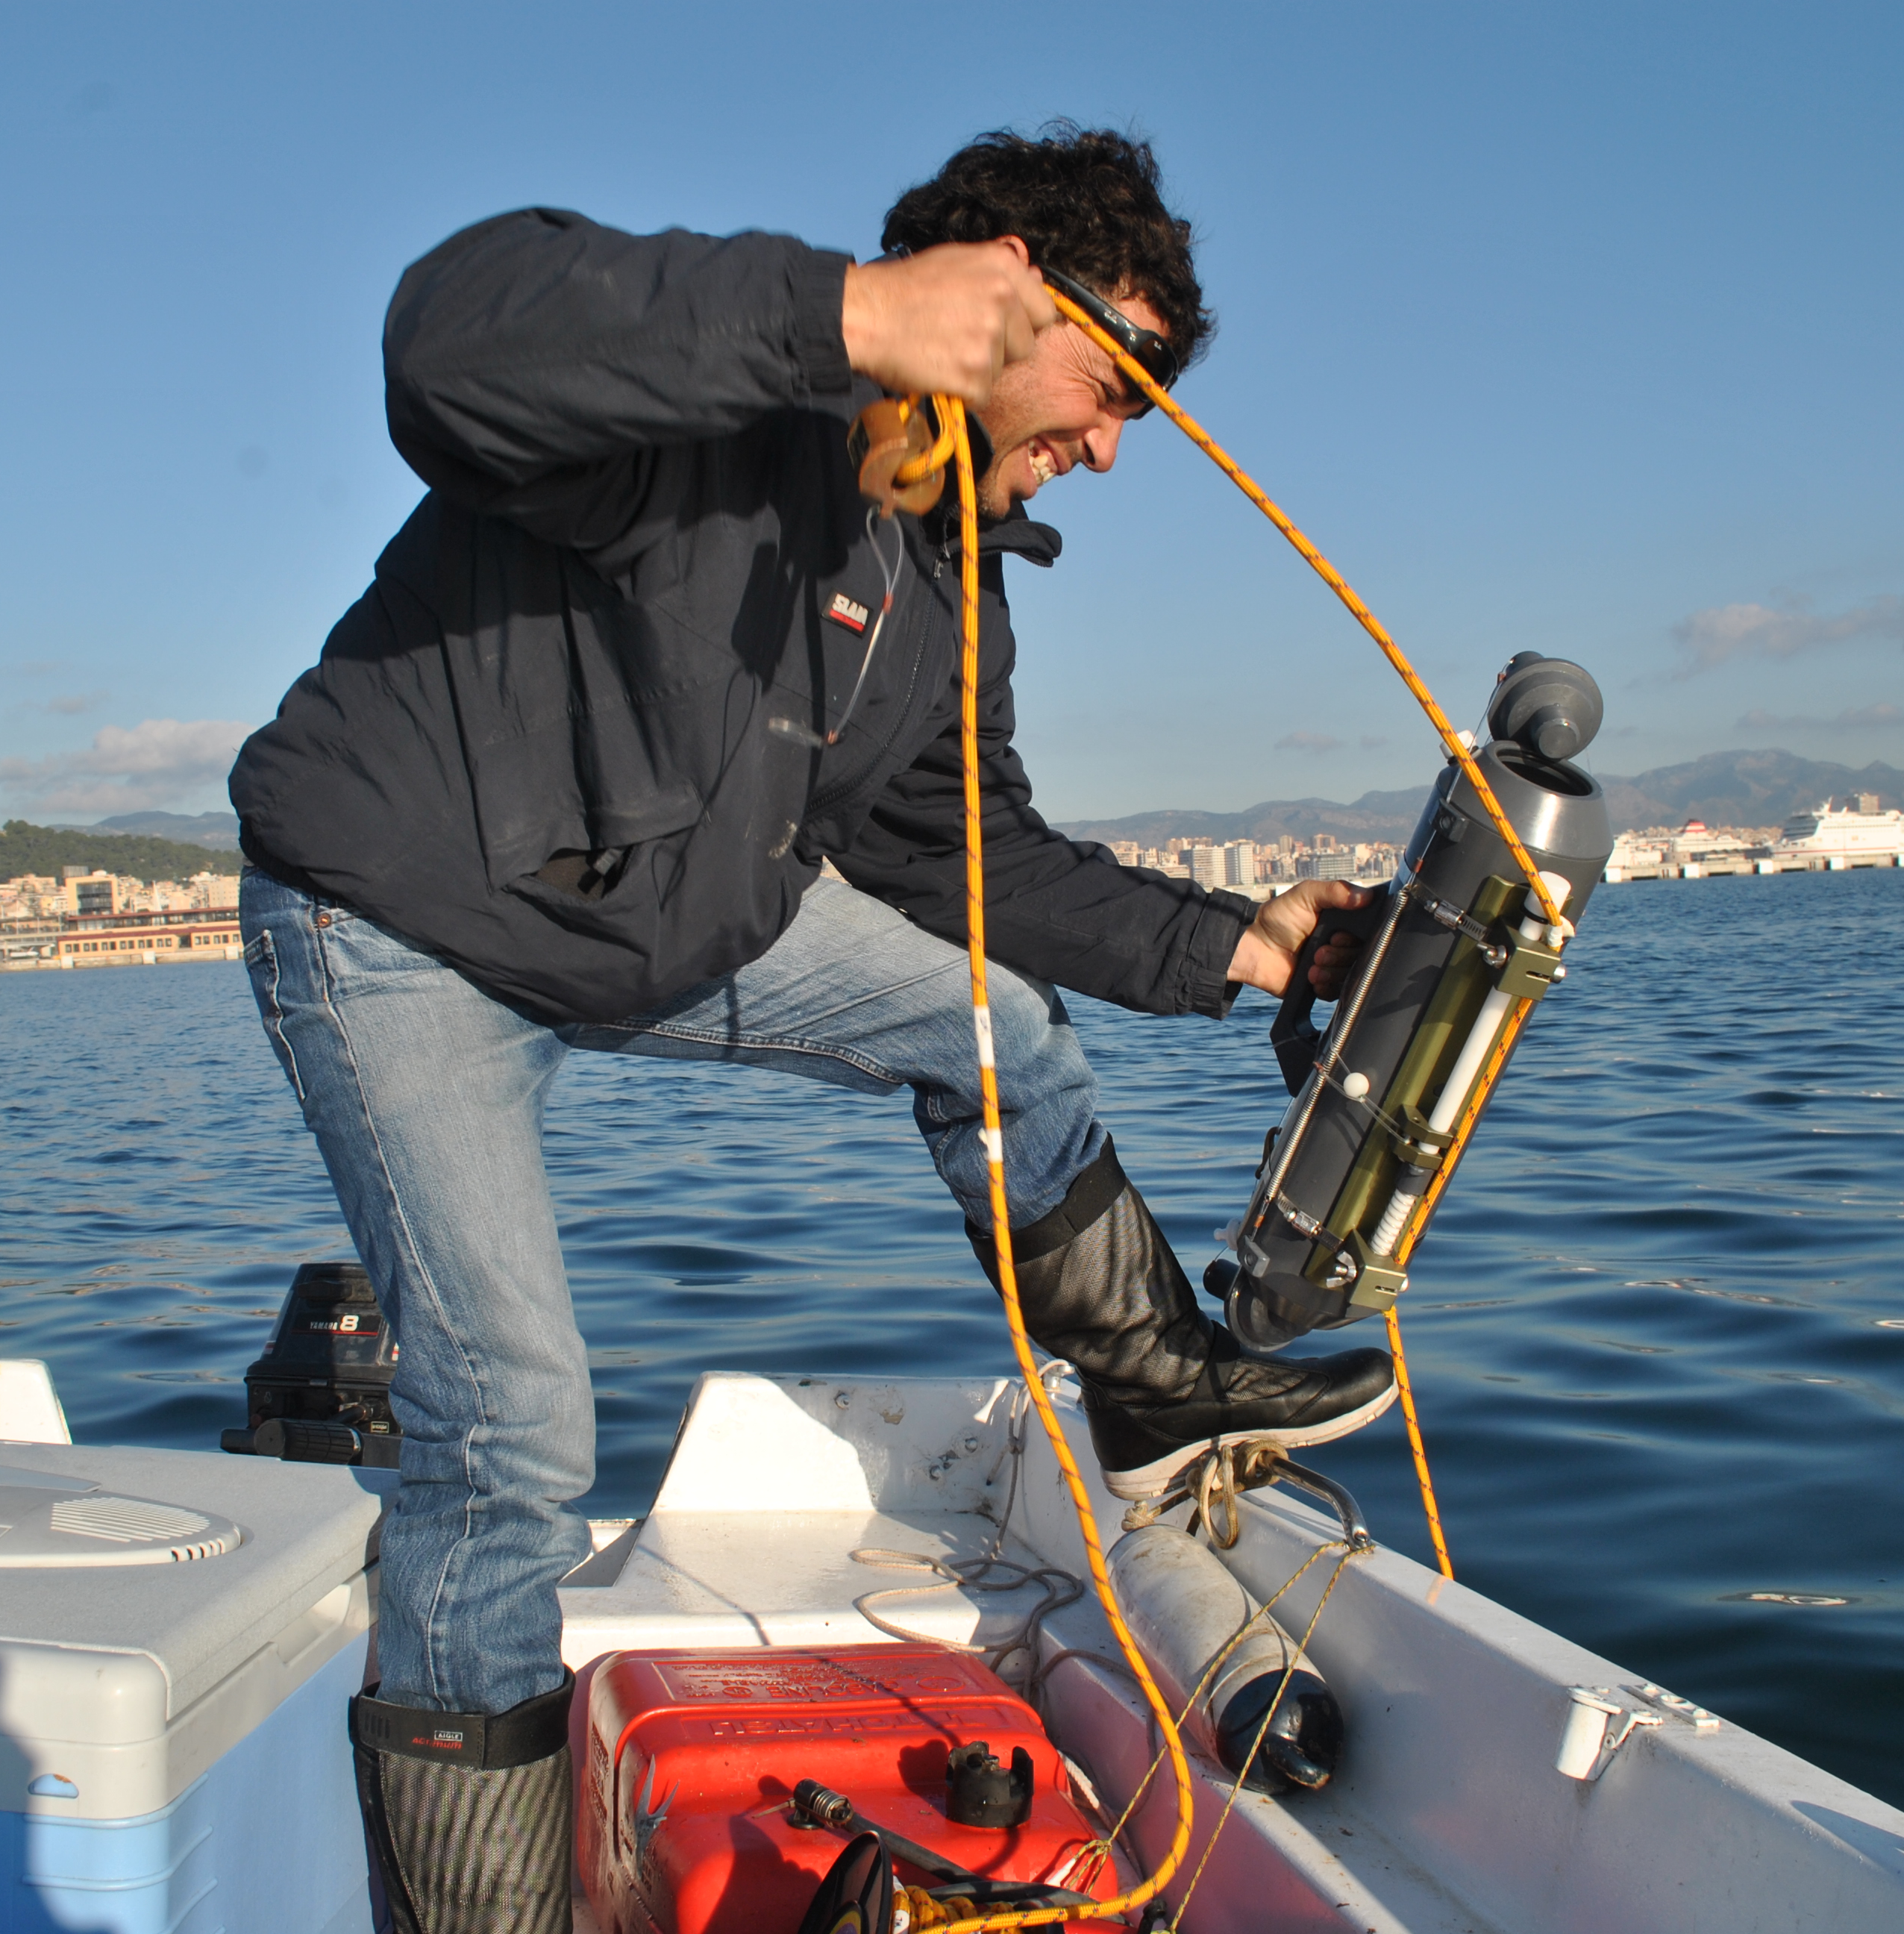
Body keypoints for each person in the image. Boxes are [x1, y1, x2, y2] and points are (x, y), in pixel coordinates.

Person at [228, 125, 1399, 1933]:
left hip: (655, 930)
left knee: (992, 1023)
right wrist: (842, 315)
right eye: (1107, 389)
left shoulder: (950, 576)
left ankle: (1155, 1390)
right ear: (996, 296)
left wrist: (1245, 945)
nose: (1107, 443)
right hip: (403, 924)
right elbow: (447, 346)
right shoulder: (714, 402)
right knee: (514, 1431)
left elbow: (965, 858)